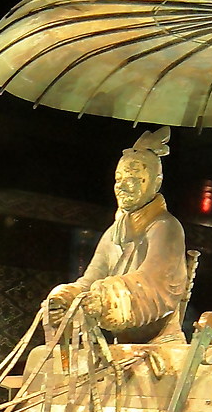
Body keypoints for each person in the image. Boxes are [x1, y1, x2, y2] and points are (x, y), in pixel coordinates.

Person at [47, 126, 191, 343]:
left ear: (156, 182)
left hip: (160, 346)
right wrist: (67, 298)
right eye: (118, 179)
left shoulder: (165, 227)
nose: (122, 186)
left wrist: (107, 297)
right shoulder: (113, 233)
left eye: (133, 178)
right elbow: (91, 280)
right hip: (121, 348)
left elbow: (157, 283)